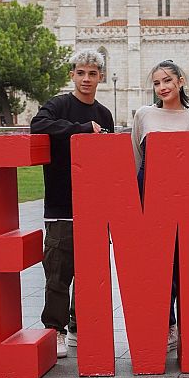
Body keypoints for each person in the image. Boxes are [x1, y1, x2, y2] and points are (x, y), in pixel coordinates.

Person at [30, 49, 114, 358]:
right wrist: (80, 130)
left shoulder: (104, 114)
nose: (86, 79)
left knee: (90, 275)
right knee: (58, 274)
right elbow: (38, 125)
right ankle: (56, 330)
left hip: (94, 207)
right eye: (81, 73)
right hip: (62, 206)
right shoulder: (58, 105)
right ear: (72, 75)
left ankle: (79, 326)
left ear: (100, 77)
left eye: (92, 74)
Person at [131, 60, 189, 352]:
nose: (162, 87)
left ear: (180, 81)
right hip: (149, 192)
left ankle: (183, 327)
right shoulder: (144, 115)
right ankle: (165, 324)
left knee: (179, 264)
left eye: (167, 81)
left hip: (182, 198)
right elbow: (136, 158)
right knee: (155, 264)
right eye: (156, 83)